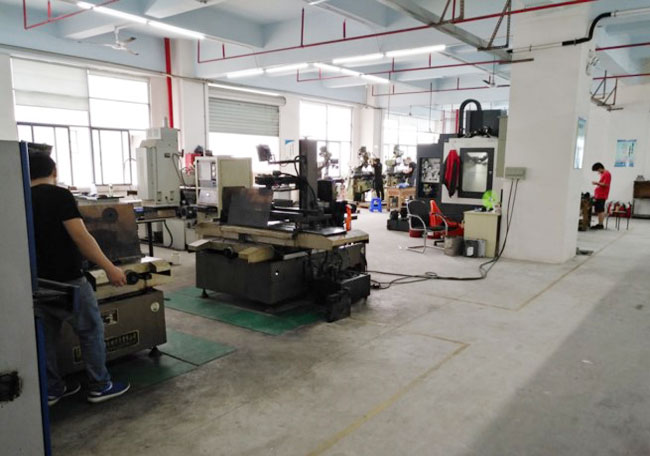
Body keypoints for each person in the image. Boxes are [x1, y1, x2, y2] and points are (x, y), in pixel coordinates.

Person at [29, 152, 130, 405]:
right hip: (68, 279)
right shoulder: (60, 195)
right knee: (90, 330)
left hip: (36, 280)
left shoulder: (20, 196)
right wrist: (109, 268)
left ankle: (52, 389)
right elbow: (81, 237)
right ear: (54, 171)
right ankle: (100, 385)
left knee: (45, 337)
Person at [591, 162, 611, 230]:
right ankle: (599, 223)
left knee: (600, 210)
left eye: (598, 170)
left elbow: (606, 184)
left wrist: (596, 183)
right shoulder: (603, 174)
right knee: (599, 210)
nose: (598, 172)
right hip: (599, 195)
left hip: (602, 195)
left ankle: (600, 224)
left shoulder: (607, 174)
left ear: (600, 168)